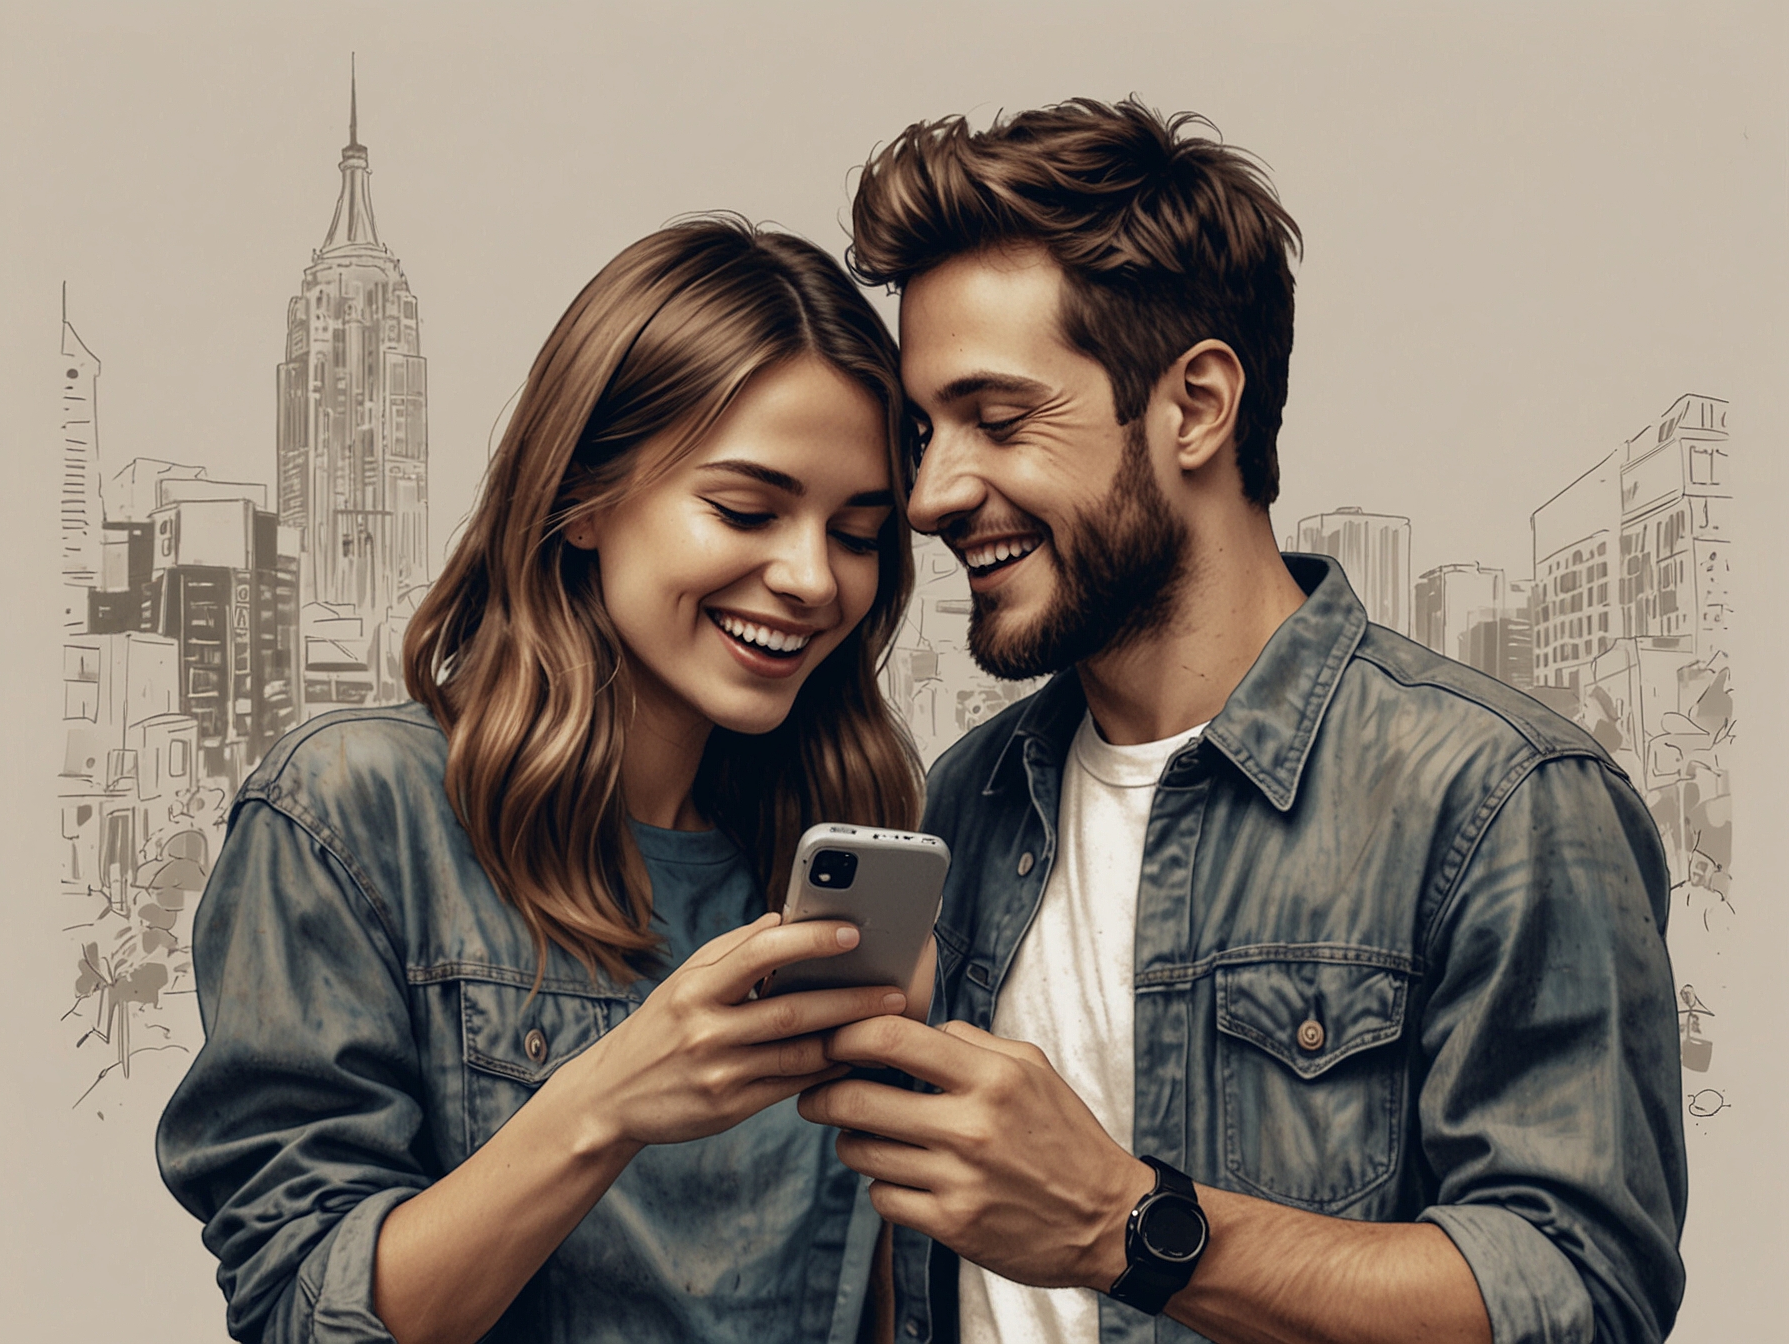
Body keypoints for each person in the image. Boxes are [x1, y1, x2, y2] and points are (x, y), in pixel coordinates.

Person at [799, 101, 1687, 1344]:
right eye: (923, 431)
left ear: (1196, 406)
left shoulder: (1497, 800)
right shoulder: (964, 800)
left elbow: (1579, 1296)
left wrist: (1124, 1223)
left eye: (997, 421)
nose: (933, 494)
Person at [156, 216, 929, 1344]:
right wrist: (605, 1102)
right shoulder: (350, 813)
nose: (812, 578)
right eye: (746, 510)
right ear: (583, 500)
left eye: (857, 532)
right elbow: (302, 1315)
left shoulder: (841, 864)